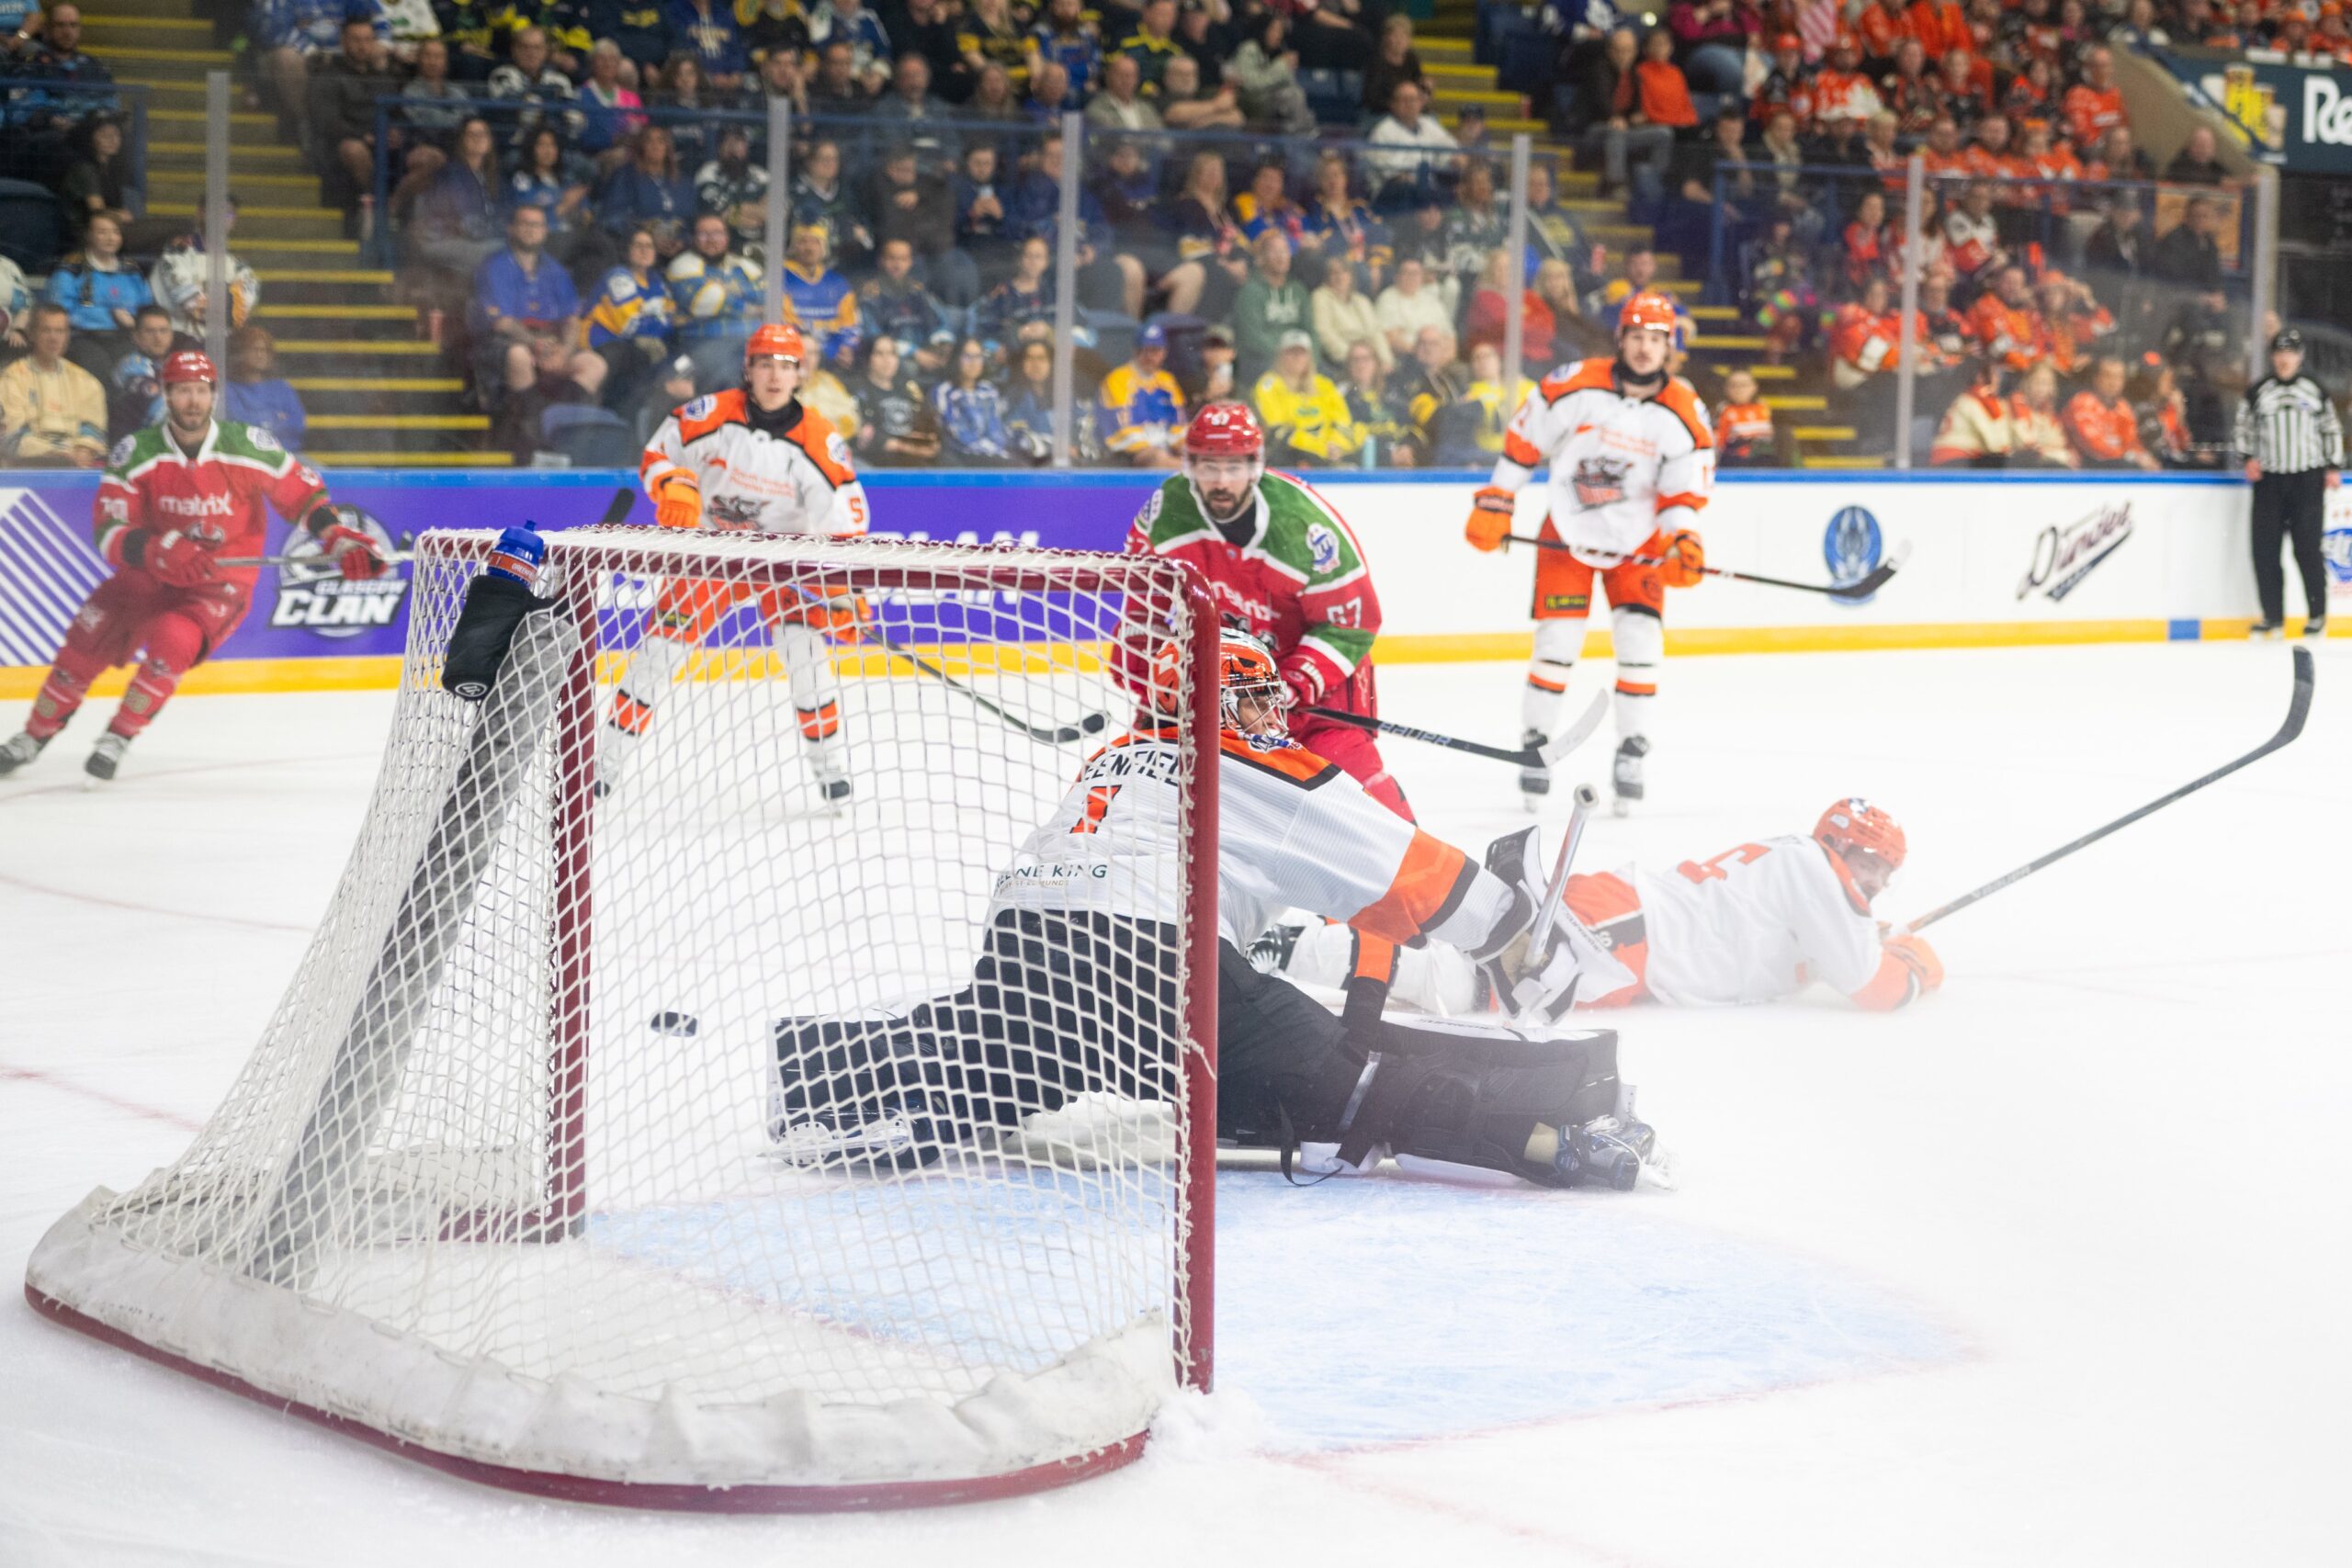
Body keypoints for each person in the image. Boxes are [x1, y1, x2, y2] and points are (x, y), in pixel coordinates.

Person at [766, 628, 1651, 1191]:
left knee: (1004, 1065)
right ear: (1220, 703)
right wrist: (1511, 931)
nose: (1274, 713)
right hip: (1148, 961)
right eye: (1257, 696)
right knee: (1356, 1091)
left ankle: (813, 1072)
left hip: (1021, 943)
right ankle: (1557, 1138)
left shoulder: (1119, 754)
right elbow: (1403, 869)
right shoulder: (1253, 765)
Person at [0, 350, 381, 782]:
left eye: (201, 391)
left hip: (217, 585)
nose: (193, 401)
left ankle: (118, 736)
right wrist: (157, 549)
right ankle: (33, 736)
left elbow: (303, 496)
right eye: (183, 391)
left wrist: (337, 536)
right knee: (85, 641)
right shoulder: (137, 452)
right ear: (167, 395)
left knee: (173, 641)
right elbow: (108, 531)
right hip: (149, 576)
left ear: (213, 395)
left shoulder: (245, 445)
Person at [1258, 798, 1944, 1015]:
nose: (1875, 880)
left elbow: (1800, 946)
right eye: (1869, 863)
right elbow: (1873, 987)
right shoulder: (1819, 872)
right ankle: (1287, 946)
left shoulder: (1805, 865)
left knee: (1473, 961)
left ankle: (1301, 935)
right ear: (1838, 846)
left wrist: (1862, 939)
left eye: (1885, 870)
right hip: (1628, 930)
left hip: (1628, 930)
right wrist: (1914, 963)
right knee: (1475, 978)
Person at [1464, 292, 1713, 815]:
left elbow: (1681, 495)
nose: (1646, 349)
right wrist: (1497, 500)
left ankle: (1632, 750)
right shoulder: (1573, 383)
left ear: (1671, 347)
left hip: (1638, 543)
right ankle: (1535, 744)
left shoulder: (1686, 413)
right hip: (1568, 532)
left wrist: (1683, 539)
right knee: (1557, 640)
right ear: (1621, 338)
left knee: (1640, 640)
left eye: (1657, 340)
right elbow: (1522, 444)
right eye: (1638, 337)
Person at [604, 322, 873, 804]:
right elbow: (657, 456)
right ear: (748, 368)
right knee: (655, 658)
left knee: (807, 660)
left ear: (799, 374)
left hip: (782, 565)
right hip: (709, 558)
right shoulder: (708, 414)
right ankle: (602, 767)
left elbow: (843, 524)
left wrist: (843, 592)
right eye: (765, 363)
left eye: (785, 366)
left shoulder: (820, 439)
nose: (774, 375)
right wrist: (671, 485)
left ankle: (831, 771)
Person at [1121, 402, 1408, 817]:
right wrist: (1155, 681)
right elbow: (1141, 609)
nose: (1221, 482)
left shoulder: (1304, 526)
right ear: (1189, 465)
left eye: (1234, 468)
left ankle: (1420, 877)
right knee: (1148, 787)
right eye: (1208, 467)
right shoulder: (1166, 514)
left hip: (1314, 684)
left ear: (1255, 466)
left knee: (1353, 798)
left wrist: (1289, 685)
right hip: (1224, 685)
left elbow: (1351, 624)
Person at [2234, 328, 2343, 639]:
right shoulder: (2259, 391)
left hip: (2306, 478)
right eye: (2279, 353)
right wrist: (2248, 457)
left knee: (2306, 548)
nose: (2284, 358)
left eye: (2290, 352)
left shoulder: (2314, 389)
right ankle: (2272, 616)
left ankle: (2317, 614)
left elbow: (2331, 428)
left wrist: (2332, 465)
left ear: (2300, 356)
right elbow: (2243, 427)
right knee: (2265, 549)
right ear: (2273, 357)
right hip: (2269, 480)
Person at [43, 209, 151, 379]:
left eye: (115, 232)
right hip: (82, 338)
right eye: (102, 232)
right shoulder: (71, 268)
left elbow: (147, 308)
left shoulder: (131, 270)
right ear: (89, 235)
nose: (110, 238)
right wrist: (111, 315)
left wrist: (135, 321)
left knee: (139, 372)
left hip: (126, 337)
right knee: (100, 371)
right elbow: (59, 313)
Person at [0, 303, 107, 468]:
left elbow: (94, 429)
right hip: (29, 465)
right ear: (31, 334)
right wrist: (55, 452)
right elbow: (10, 436)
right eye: (46, 330)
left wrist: (84, 449)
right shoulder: (11, 378)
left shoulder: (87, 381)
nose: (53, 337)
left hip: (78, 465)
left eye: (60, 331)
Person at [586, 225, 679, 407]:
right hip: (603, 344)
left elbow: (672, 316)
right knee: (641, 360)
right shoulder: (618, 276)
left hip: (636, 347)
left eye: (649, 246)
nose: (645, 251)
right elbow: (629, 325)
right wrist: (661, 322)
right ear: (627, 250)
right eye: (638, 246)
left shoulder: (656, 280)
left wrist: (659, 322)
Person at [1253, 328, 1363, 469]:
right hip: (1290, 459)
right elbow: (1277, 430)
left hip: (1330, 457)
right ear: (1280, 356)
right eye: (1291, 352)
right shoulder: (1268, 385)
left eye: (1302, 352)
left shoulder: (1325, 385)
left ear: (1310, 357)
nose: (1297, 357)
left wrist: (1337, 445)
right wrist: (1320, 447)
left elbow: (1343, 422)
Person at [1097, 321, 1186, 467]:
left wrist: (1184, 448)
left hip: (1164, 450)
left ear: (1164, 352)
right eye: (1145, 350)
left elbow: (1179, 424)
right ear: (1135, 351)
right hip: (1126, 454)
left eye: (1155, 351)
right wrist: (1157, 450)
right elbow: (1122, 432)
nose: (1150, 357)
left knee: (1199, 457)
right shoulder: (1117, 379)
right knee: (1158, 458)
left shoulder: (1167, 380)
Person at [847, 333, 942, 467]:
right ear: (868, 358)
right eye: (879, 354)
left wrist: (929, 444)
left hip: (915, 458)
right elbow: (867, 437)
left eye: (892, 353)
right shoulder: (856, 390)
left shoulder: (909, 389)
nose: (887, 360)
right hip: (878, 461)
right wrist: (908, 448)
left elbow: (929, 427)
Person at [1232, 230, 1311, 388]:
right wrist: (1286, 357)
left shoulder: (1298, 289)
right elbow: (1252, 337)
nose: (1281, 257)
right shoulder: (1250, 291)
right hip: (1262, 359)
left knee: (1325, 374)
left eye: (1285, 251)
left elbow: (1311, 330)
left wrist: (1308, 356)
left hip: (1298, 356)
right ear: (1260, 259)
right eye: (1274, 252)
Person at [2062, 353, 2157, 471]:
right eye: (2108, 376)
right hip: (2084, 470)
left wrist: (2143, 456)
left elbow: (2132, 442)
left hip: (2115, 465)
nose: (2113, 383)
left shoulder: (2123, 407)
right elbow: (2094, 447)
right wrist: (2130, 456)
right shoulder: (2081, 403)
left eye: (2118, 377)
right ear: (2096, 379)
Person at [217, 325, 306, 452]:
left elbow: (298, 425)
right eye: (254, 350)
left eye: (264, 350)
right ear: (240, 353)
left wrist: (260, 421)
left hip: (287, 455)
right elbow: (241, 427)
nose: (260, 355)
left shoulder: (282, 387)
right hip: (248, 458)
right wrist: (276, 417)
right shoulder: (229, 390)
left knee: (319, 470)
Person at [1713, 367, 1781, 468]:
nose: (1739, 390)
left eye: (1744, 385)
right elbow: (1718, 445)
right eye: (1733, 386)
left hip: (1766, 464)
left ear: (1754, 387)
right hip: (1735, 464)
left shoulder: (1764, 408)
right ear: (1726, 388)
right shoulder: (1722, 410)